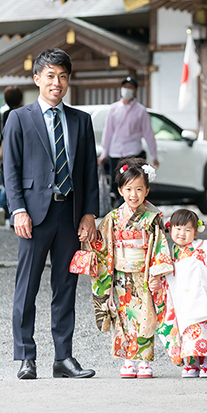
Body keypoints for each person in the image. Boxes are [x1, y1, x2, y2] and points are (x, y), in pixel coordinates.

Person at [2, 48, 99, 381]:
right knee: (26, 288)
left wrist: (89, 213)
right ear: (37, 79)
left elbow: (88, 171)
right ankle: (26, 358)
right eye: (50, 76)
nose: (57, 83)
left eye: (63, 76)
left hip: (69, 213)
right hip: (33, 215)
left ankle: (63, 358)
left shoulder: (81, 120)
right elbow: (10, 169)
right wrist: (18, 210)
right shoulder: (19, 118)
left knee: (65, 287)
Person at [91, 157, 172, 378]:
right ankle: (128, 360)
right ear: (120, 190)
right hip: (120, 276)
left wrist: (156, 273)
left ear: (147, 191)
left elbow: (159, 246)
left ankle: (144, 361)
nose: (133, 194)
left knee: (145, 316)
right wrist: (89, 239)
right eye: (128, 189)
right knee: (123, 317)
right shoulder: (114, 218)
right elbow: (102, 243)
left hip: (143, 274)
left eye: (139, 189)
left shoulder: (152, 218)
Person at [154, 208, 207, 378]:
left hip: (203, 299)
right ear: (170, 229)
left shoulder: (203, 247)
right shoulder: (168, 252)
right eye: (178, 229)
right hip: (183, 301)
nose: (182, 233)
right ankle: (192, 364)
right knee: (186, 332)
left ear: (196, 232)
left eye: (187, 230)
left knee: (206, 330)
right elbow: (162, 272)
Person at [98, 78, 159, 179]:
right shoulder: (113, 109)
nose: (127, 89)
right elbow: (108, 132)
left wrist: (154, 156)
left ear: (135, 90)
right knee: (117, 183)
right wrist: (104, 154)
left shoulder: (141, 111)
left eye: (130, 87)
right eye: (125, 87)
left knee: (132, 182)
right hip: (115, 153)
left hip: (133, 153)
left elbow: (148, 134)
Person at [0, 86, 23, 225]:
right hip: (21, 153)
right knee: (19, 184)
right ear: (20, 98)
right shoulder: (24, 114)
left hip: (4, 154)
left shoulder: (0, 116)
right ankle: (13, 215)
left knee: (7, 184)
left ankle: (3, 207)